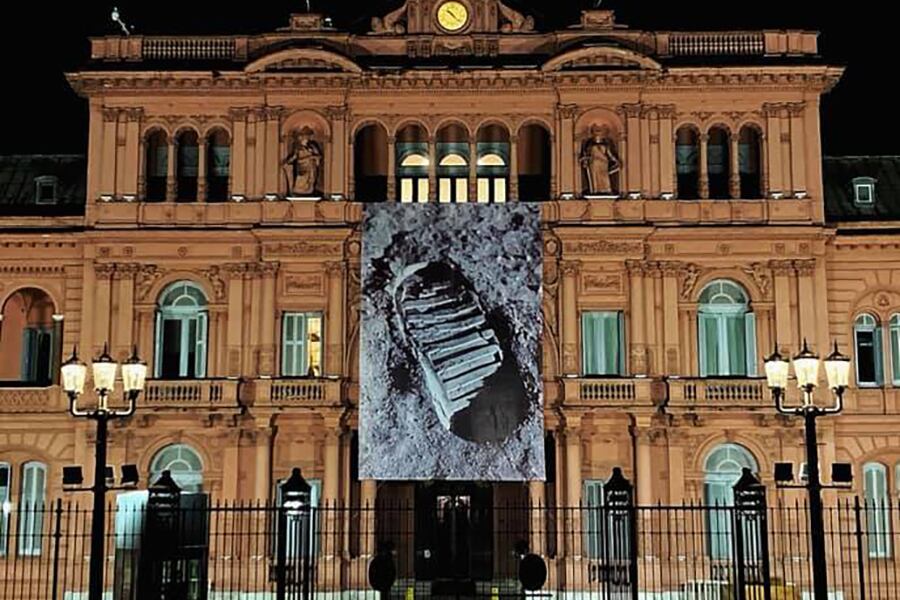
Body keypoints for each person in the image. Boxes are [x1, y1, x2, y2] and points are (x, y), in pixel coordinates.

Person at [282, 126, 323, 196]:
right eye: (303, 137)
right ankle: (298, 192)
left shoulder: (312, 147)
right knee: (300, 179)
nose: (305, 139)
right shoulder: (298, 148)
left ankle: (310, 192)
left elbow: (319, 156)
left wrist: (312, 157)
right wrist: (287, 162)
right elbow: (294, 156)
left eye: (306, 137)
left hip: (311, 167)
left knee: (311, 180)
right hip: (301, 166)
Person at [581, 125, 620, 195]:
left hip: (603, 163)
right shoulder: (590, 145)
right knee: (594, 178)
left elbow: (610, 155)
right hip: (593, 163)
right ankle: (595, 190)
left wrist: (616, 161)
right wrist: (584, 160)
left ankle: (606, 190)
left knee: (604, 178)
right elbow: (586, 155)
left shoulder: (606, 145)